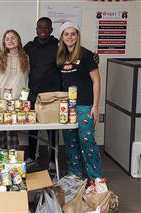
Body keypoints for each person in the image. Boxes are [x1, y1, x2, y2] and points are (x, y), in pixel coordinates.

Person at [57, 22, 104, 181]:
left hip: (85, 106)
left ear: (77, 36)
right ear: (62, 37)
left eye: (73, 34)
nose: (70, 37)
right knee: (70, 142)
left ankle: (95, 177)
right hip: (68, 107)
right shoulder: (62, 57)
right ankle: (75, 173)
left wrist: (95, 106)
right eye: (66, 34)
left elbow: (96, 81)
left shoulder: (85, 54)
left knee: (87, 143)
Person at [24, 17, 61, 170]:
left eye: (46, 27)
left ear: (51, 30)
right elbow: (14, 58)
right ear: (36, 29)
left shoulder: (59, 46)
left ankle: (52, 159)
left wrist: (93, 55)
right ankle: (32, 156)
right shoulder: (29, 47)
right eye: (40, 27)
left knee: (52, 129)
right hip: (33, 93)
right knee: (32, 127)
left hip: (52, 95)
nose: (43, 30)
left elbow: (75, 54)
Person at [0, 30, 29, 149]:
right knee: (0, 130)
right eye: (7, 38)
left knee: (12, 131)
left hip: (17, 99)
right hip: (1, 99)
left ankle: (13, 160)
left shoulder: (25, 57)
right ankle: (0, 157)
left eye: (13, 38)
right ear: (4, 42)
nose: (10, 40)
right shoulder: (0, 57)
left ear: (18, 40)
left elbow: (26, 78)